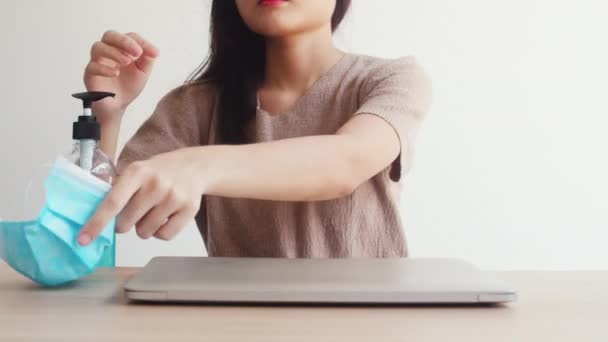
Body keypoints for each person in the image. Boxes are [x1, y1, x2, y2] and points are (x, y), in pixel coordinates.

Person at [77, 0, 432, 258]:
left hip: (371, 323)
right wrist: (109, 116)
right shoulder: (194, 106)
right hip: (240, 325)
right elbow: (93, 225)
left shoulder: (391, 81)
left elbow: (345, 163)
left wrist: (197, 166)